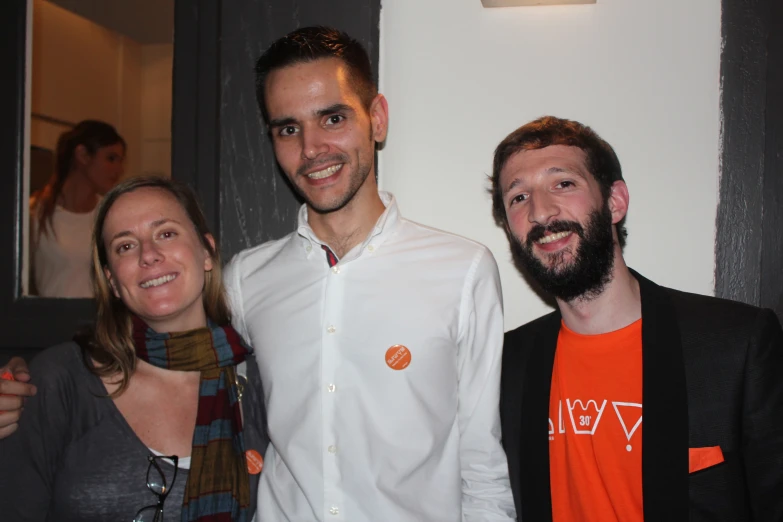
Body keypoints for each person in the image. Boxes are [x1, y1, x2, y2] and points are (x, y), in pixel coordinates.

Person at [221, 26, 514, 520]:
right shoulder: (245, 279)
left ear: (376, 119)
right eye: (288, 129)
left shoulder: (463, 271)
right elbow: (175, 369)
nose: (312, 148)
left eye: (332, 118)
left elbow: (481, 461)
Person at [493, 116, 783, 521]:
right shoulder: (505, 363)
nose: (541, 211)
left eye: (563, 183)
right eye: (518, 197)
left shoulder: (736, 344)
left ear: (615, 202)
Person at [0, 177, 267, 521]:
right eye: (125, 246)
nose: (149, 256)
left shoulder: (259, 379)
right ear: (112, 280)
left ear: (206, 252)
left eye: (166, 233)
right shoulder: (61, 379)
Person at [30, 120, 125, 298]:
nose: (119, 169)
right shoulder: (35, 212)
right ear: (82, 155)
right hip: (49, 320)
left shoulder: (111, 214)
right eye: (111, 159)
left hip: (101, 321)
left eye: (120, 161)